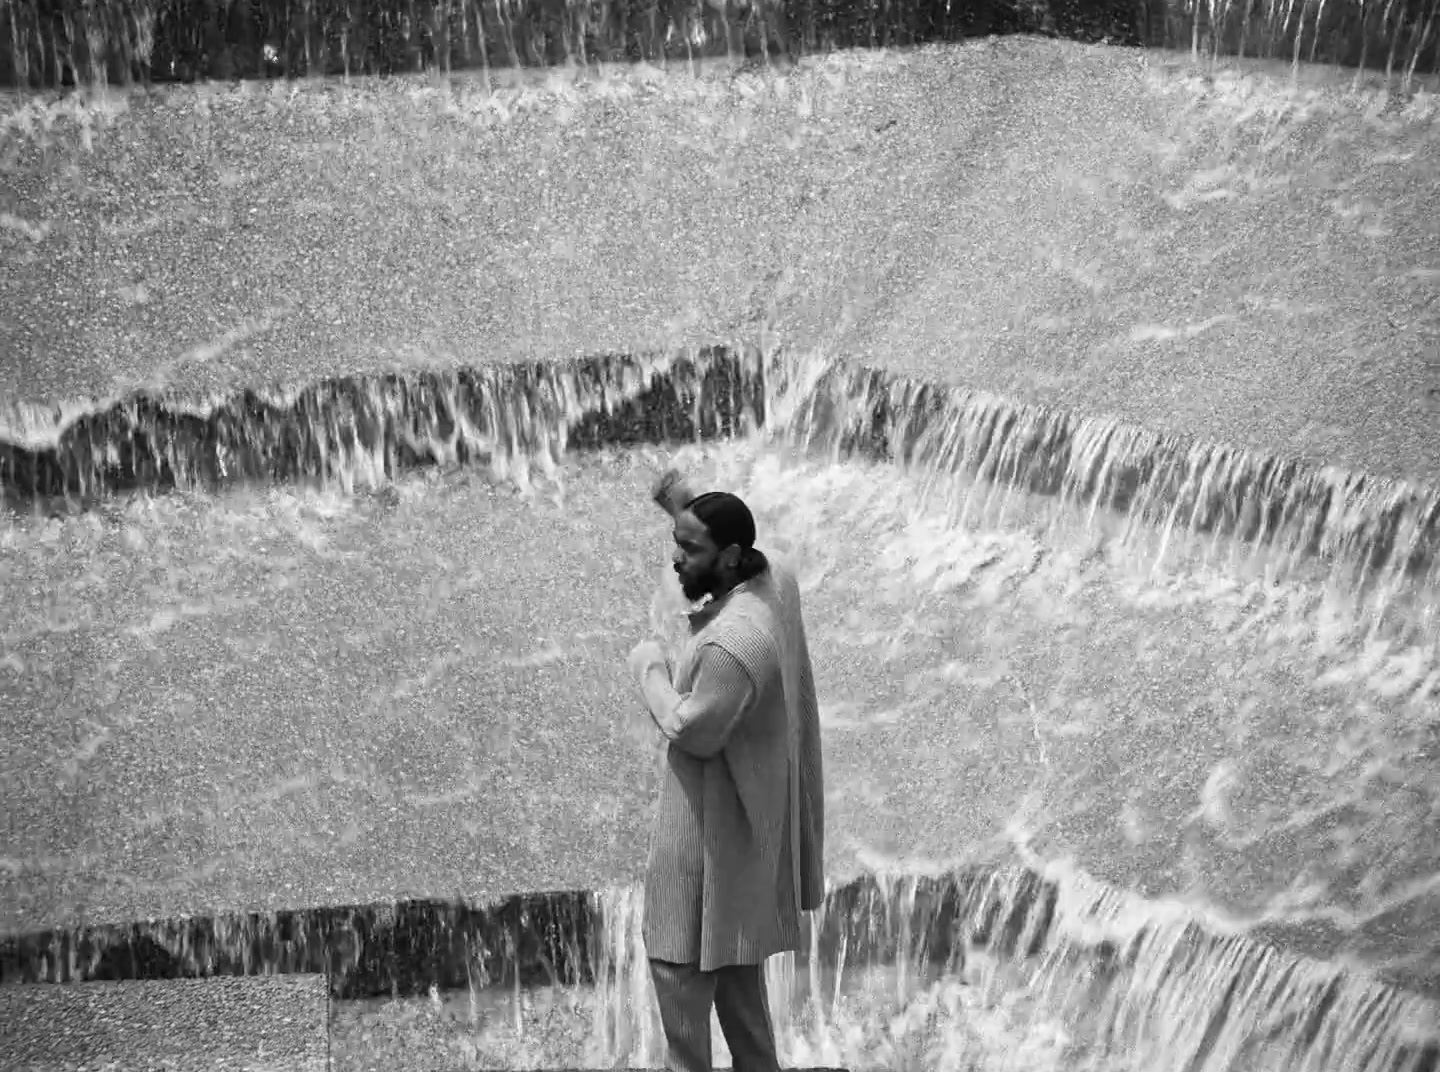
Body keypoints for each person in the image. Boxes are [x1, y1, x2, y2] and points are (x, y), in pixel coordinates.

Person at [625, 469, 825, 1072]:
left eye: (689, 550)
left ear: (730, 555)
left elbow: (691, 730)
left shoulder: (733, 646)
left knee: (675, 967)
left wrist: (650, 670)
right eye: (677, 544)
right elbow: (722, 534)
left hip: (709, 832)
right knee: (737, 970)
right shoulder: (775, 579)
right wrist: (681, 501)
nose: (676, 563)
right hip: (750, 828)